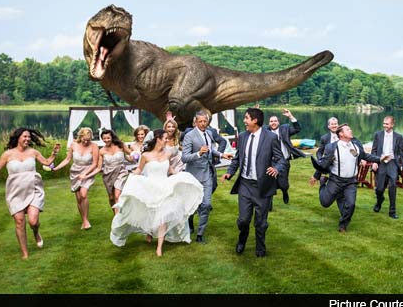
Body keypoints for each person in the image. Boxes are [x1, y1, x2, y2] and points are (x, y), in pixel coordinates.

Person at [110, 129, 204, 257]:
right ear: (158, 139)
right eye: (165, 138)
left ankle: (159, 247)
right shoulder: (146, 155)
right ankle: (149, 232)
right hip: (150, 186)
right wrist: (131, 178)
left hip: (165, 186)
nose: (167, 140)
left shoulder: (167, 153)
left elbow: (169, 169)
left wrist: (181, 177)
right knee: (150, 212)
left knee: (163, 216)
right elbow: (139, 169)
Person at [0, 127, 60, 259]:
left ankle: (36, 233)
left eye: (29, 137)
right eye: (25, 136)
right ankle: (25, 254)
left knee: (33, 221)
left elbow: (47, 162)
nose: (28, 139)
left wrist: (54, 154)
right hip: (15, 191)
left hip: (33, 188)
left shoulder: (33, 152)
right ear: (18, 137)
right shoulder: (7, 154)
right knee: (19, 221)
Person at [222, 107, 286, 257]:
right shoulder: (243, 136)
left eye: (246, 118)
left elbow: (281, 160)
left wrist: (276, 168)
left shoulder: (270, 138)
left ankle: (260, 248)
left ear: (254, 120)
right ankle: (242, 239)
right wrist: (230, 173)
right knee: (243, 220)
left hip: (262, 186)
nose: (244, 121)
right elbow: (237, 158)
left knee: (261, 222)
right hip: (245, 185)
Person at [309, 123, 387, 233]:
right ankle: (323, 183)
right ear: (341, 134)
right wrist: (317, 175)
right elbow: (324, 164)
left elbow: (364, 156)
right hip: (335, 180)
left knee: (351, 204)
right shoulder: (332, 147)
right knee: (325, 203)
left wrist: (380, 159)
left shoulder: (355, 145)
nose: (351, 130)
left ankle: (343, 225)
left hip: (351, 182)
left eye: (350, 129)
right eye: (348, 129)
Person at [182, 111, 233, 243]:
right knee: (192, 204)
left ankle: (200, 234)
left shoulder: (209, 133)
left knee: (206, 204)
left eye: (205, 121)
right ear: (195, 122)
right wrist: (198, 153)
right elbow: (184, 157)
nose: (203, 124)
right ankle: (189, 221)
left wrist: (222, 155)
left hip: (207, 174)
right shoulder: (189, 136)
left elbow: (210, 150)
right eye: (200, 121)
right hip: (193, 175)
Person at [51, 127, 99, 230]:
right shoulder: (73, 145)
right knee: (78, 198)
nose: (86, 142)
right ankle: (83, 220)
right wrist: (56, 168)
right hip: (75, 173)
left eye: (88, 140)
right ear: (80, 137)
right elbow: (68, 159)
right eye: (84, 139)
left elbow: (95, 164)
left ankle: (86, 221)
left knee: (83, 194)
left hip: (88, 172)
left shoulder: (94, 146)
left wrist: (85, 174)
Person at [81, 129, 132, 213]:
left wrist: (135, 156)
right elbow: (98, 168)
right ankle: (115, 213)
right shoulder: (101, 151)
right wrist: (86, 176)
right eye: (104, 138)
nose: (106, 140)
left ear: (112, 137)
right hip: (108, 175)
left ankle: (118, 219)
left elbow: (131, 154)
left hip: (121, 172)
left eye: (108, 138)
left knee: (117, 195)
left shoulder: (120, 146)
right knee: (111, 197)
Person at [370, 115, 403, 219]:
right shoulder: (378, 135)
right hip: (381, 162)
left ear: (392, 124)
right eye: (383, 123)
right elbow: (373, 150)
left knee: (392, 187)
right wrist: (374, 162)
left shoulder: (398, 137)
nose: (384, 125)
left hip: (392, 163)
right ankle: (379, 201)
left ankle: (392, 211)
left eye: (386, 124)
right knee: (379, 188)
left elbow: (402, 153)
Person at [264, 108, 305, 205]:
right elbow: (255, 128)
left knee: (283, 184)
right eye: (271, 121)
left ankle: (285, 192)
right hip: (270, 161)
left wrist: (290, 116)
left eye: (275, 121)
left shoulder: (285, 129)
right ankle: (269, 203)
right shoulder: (265, 131)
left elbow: (297, 128)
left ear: (279, 122)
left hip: (284, 161)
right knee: (269, 182)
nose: (273, 123)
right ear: (268, 123)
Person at [313, 117, 339, 185]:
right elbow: (319, 152)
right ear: (328, 126)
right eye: (332, 124)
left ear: (338, 125)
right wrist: (320, 160)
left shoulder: (342, 135)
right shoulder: (324, 138)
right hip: (330, 163)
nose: (334, 126)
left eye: (335, 124)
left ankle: (321, 180)